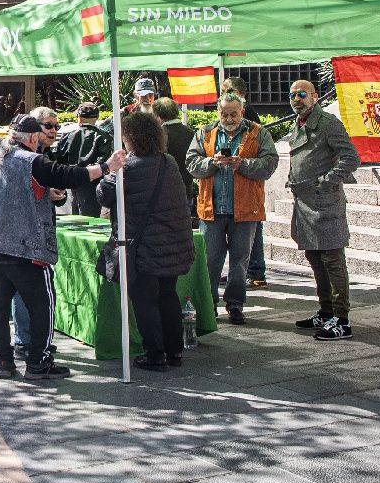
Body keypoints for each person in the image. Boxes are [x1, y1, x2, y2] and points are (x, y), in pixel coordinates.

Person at [0, 113, 124, 381]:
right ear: (32, 138)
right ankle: (38, 362)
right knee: (42, 305)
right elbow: (67, 176)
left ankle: (3, 361)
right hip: (26, 249)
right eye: (40, 136)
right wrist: (106, 167)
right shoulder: (32, 161)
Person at [98, 111, 196, 372]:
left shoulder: (128, 168)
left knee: (145, 300)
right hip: (172, 243)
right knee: (167, 295)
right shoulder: (169, 162)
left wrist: (112, 168)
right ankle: (174, 351)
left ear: (130, 138)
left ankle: (155, 354)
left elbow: (104, 195)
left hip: (142, 247)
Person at [186, 94, 277, 326]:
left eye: (233, 114)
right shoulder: (205, 133)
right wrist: (211, 163)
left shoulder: (258, 133)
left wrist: (243, 164)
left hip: (246, 209)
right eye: (224, 114)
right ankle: (209, 304)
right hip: (212, 209)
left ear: (242, 112)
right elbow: (191, 163)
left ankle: (235, 304)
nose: (229, 118)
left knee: (240, 261)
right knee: (210, 260)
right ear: (218, 113)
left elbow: (270, 164)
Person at [287, 79, 360, 341]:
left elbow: (351, 157)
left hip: (324, 203)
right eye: (293, 94)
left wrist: (327, 180)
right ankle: (326, 310)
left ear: (315, 97)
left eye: (302, 94)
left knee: (332, 260)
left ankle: (342, 319)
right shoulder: (298, 124)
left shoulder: (328, 123)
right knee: (316, 259)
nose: (297, 99)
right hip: (305, 204)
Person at [220, 77, 269, 288]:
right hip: (227, 193)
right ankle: (246, 273)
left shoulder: (251, 122)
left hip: (248, 192)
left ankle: (256, 272)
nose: (230, 118)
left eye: (228, 91)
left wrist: (243, 164)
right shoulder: (214, 129)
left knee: (252, 234)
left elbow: (266, 160)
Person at [53, 102, 112, 216]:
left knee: (75, 219)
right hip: (92, 184)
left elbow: (58, 160)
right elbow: (104, 162)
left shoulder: (67, 136)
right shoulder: (104, 137)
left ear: (79, 118)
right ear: (96, 118)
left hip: (71, 182)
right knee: (90, 220)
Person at [152, 97, 198, 221]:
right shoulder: (190, 132)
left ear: (157, 115)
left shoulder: (159, 135)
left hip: (163, 194)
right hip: (186, 190)